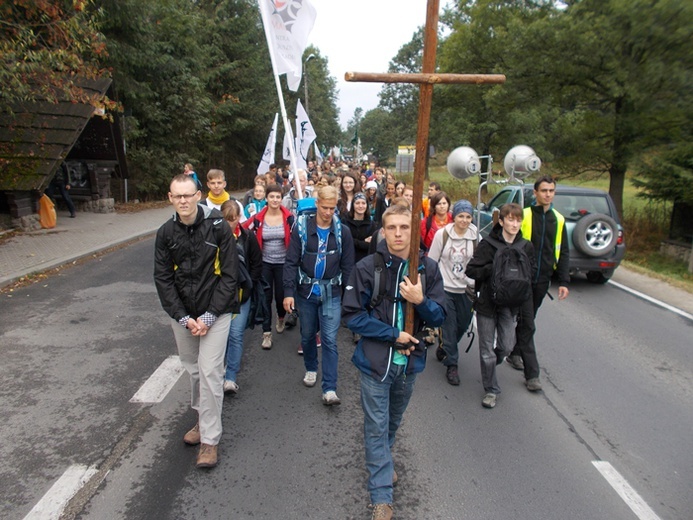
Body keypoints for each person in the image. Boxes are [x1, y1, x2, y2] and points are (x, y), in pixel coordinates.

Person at [343, 204, 446, 519]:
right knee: (376, 427)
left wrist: (420, 301)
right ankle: (382, 498)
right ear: (383, 232)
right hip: (375, 364)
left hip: (410, 366)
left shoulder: (428, 269)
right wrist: (392, 334)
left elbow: (441, 315)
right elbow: (352, 316)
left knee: (392, 422)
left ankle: (382, 462)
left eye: (405, 227)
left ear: (413, 232)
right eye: (392, 228)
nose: (398, 234)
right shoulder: (366, 269)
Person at [154, 174, 238, 468]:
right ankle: (203, 420)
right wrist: (184, 317)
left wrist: (209, 316)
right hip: (184, 316)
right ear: (170, 198)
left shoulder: (218, 228)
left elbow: (230, 276)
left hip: (217, 312)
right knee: (193, 371)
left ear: (199, 195)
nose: (183, 201)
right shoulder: (165, 233)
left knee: (210, 371)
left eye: (188, 195)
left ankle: (210, 441)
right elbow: (163, 280)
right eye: (178, 196)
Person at [283, 185, 355, 405]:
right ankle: (311, 368)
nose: (327, 213)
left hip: (332, 292)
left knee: (330, 340)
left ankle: (330, 388)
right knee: (307, 336)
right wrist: (288, 292)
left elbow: (349, 267)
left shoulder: (343, 232)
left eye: (332, 208)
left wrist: (349, 297)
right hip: (305, 292)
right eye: (324, 207)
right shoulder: (302, 228)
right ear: (317, 204)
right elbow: (291, 261)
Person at [465, 203, 536, 409]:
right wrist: (493, 268)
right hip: (487, 303)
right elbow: (471, 270)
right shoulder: (488, 244)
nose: (514, 224)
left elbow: (531, 272)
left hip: (510, 305)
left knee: (505, 346)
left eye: (518, 220)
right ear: (502, 221)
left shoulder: (525, 246)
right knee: (486, 349)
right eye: (510, 219)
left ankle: (490, 364)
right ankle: (491, 389)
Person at [506, 175, 570, 391]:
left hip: (543, 280)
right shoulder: (523, 216)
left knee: (527, 321)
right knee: (528, 324)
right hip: (522, 279)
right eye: (544, 190)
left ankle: (514, 352)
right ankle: (532, 374)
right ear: (535, 193)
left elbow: (563, 251)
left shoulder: (559, 219)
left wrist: (563, 280)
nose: (548, 194)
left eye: (551, 190)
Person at [427, 199, 478, 386]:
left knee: (462, 325)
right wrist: (432, 286)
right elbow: (432, 261)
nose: (464, 220)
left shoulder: (475, 237)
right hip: (445, 287)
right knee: (448, 327)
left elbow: (480, 263)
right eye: (460, 216)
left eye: (468, 217)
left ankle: (445, 347)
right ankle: (452, 365)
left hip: (466, 289)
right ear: (453, 216)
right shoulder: (443, 235)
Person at [243, 184, 295, 349]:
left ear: (281, 199)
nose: (274, 200)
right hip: (264, 263)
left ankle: (280, 317)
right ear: (266, 198)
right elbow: (242, 229)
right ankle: (266, 333)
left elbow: (298, 236)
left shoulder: (289, 218)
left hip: (283, 264)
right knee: (265, 299)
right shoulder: (258, 218)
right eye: (271, 196)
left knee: (281, 298)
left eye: (278, 197)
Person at [220, 200, 262, 394]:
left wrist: (248, 286)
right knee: (222, 336)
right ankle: (219, 368)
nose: (230, 223)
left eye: (233, 218)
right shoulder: (213, 237)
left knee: (236, 334)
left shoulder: (247, 237)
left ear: (239, 217)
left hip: (241, 295)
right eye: (226, 219)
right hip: (219, 296)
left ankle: (230, 377)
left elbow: (256, 262)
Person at [344, 192, 376, 264]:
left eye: (363, 203)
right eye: (357, 203)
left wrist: (353, 241)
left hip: (365, 262)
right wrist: (362, 242)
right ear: (353, 205)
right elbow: (346, 242)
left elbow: (370, 245)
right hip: (348, 261)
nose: (360, 206)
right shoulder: (345, 222)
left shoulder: (371, 224)